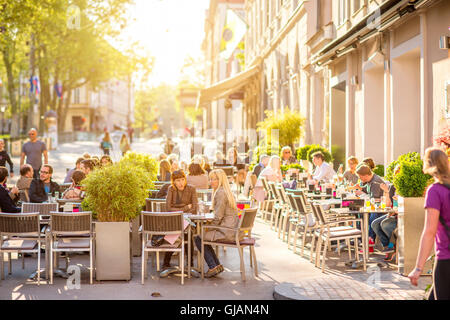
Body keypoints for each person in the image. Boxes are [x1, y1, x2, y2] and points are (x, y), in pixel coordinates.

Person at [408, 147, 450, 300]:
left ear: (428, 164)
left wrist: (418, 268)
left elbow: (429, 231)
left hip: (446, 259)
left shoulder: (435, 190)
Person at [194, 169, 241, 278]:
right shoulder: (226, 191)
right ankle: (216, 265)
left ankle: (212, 266)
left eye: (214, 179)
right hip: (232, 229)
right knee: (203, 236)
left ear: (221, 180)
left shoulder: (220, 193)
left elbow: (218, 217)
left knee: (198, 238)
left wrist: (207, 227)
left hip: (227, 231)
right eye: (210, 179)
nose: (211, 182)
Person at [163, 170, 198, 269]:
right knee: (179, 231)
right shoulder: (171, 189)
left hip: (188, 219)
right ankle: (189, 263)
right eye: (178, 180)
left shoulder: (191, 189)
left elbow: (194, 208)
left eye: (183, 180)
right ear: (173, 181)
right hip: (174, 219)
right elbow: (168, 208)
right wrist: (186, 207)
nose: (181, 183)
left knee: (186, 232)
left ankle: (167, 262)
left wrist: (177, 208)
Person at [355, 164, 386, 243]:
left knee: (372, 215)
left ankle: (370, 239)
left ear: (365, 175)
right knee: (358, 213)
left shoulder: (375, 182)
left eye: (360, 177)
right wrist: (360, 189)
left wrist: (362, 193)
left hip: (380, 208)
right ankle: (360, 236)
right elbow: (367, 191)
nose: (359, 179)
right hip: (374, 206)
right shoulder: (369, 180)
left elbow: (374, 199)